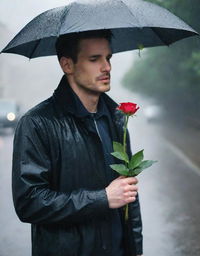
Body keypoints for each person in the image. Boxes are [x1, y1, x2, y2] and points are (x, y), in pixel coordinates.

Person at [12, 30, 143, 256]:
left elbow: (128, 192)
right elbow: (29, 203)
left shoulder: (118, 118)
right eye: (95, 59)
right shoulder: (36, 123)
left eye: (108, 58)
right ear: (67, 65)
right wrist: (102, 199)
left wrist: (136, 249)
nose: (107, 68)